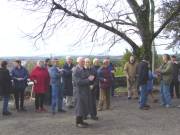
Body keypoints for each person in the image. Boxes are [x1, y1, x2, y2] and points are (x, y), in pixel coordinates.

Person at [72, 57, 95, 128]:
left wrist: (91, 78)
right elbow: (78, 82)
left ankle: (81, 121)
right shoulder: (76, 70)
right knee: (79, 107)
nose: (83, 62)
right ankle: (78, 122)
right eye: (82, 61)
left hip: (85, 91)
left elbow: (87, 77)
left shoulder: (84, 69)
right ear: (78, 62)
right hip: (79, 92)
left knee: (83, 106)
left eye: (83, 61)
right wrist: (88, 80)